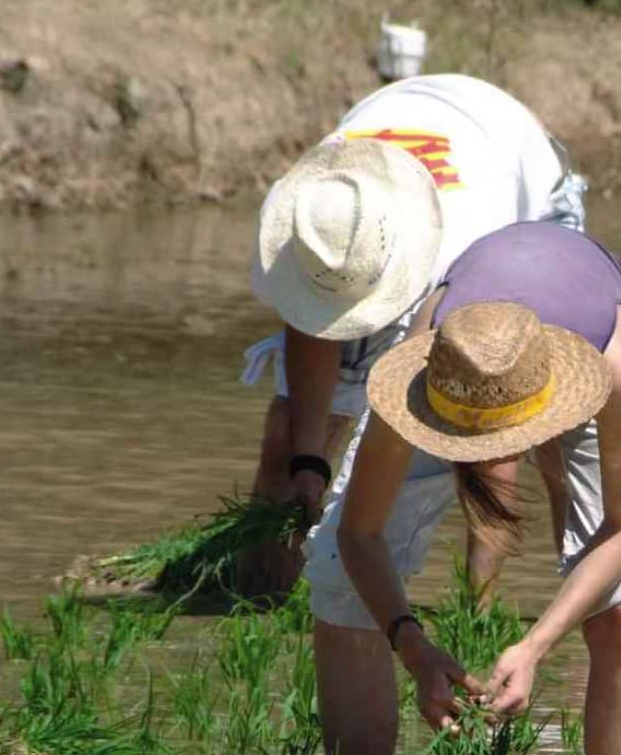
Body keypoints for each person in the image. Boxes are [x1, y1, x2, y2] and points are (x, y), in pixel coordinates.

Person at [328, 221, 621, 755]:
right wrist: (414, 649)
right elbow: (358, 532)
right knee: (335, 574)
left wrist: (534, 646)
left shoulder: (614, 367)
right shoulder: (424, 373)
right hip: (471, 364)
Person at [237, 74, 585, 601]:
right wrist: (309, 462)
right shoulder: (309, 217)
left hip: (518, 162)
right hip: (407, 110)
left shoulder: (472, 248)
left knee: (510, 436)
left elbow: (488, 430)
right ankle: (256, 598)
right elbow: (311, 326)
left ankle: (491, 612)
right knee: (288, 433)